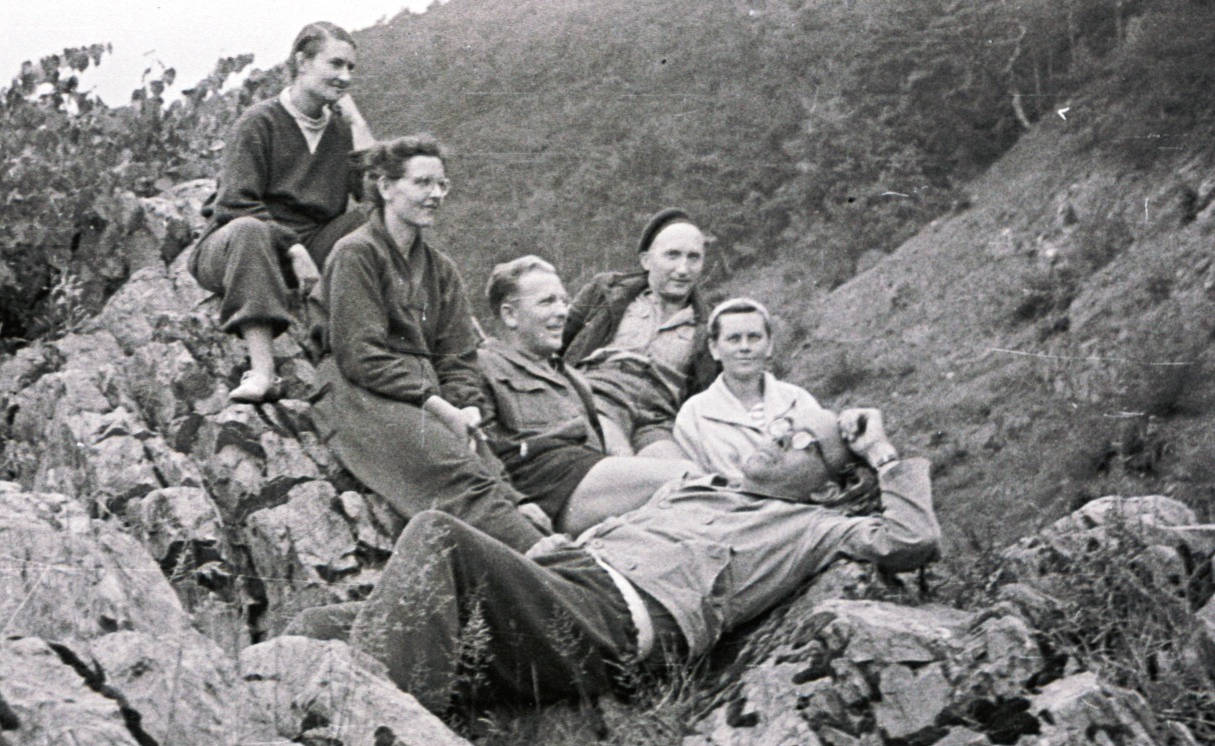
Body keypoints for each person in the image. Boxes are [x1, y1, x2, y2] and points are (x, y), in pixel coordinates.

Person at [297, 406, 938, 715]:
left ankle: (391, 739)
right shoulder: (696, 485)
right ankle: (340, 730)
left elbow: (911, 539)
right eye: (782, 424)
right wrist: (557, 550)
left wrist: (881, 453)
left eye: (803, 442)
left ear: (827, 484)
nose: (776, 435)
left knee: (438, 534)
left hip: (608, 621)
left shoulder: (812, 526)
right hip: (559, 588)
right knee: (318, 628)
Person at [310, 135, 548, 553]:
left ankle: (545, 554)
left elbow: (457, 356)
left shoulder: (441, 269)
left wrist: (465, 403)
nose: (436, 194)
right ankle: (551, 566)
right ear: (385, 187)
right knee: (455, 474)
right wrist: (438, 406)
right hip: (360, 394)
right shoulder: (356, 254)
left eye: (442, 185)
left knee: (508, 491)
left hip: (424, 394)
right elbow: (360, 355)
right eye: (423, 183)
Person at [191, 22, 376, 403]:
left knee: (370, 226)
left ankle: (361, 353)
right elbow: (234, 203)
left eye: (351, 69)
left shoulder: (341, 131)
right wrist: (292, 249)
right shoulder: (259, 122)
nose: (344, 77)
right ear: (302, 62)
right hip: (239, 243)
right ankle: (262, 371)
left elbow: (377, 195)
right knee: (250, 232)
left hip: (313, 240)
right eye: (335, 64)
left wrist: (357, 123)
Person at [477, 256, 704, 534]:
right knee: (686, 479)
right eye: (547, 302)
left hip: (587, 477)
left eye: (564, 300)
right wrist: (516, 503)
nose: (562, 311)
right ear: (510, 314)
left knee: (692, 508)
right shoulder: (481, 366)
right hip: (544, 485)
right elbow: (474, 450)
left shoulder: (573, 378)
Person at [559, 208, 717, 457]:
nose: (683, 269)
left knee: (680, 473)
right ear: (646, 260)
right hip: (599, 397)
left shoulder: (710, 326)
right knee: (621, 457)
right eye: (672, 255)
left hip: (658, 417)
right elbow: (556, 339)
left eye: (693, 258)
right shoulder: (607, 292)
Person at [673, 297, 822, 478]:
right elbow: (692, 483)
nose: (745, 347)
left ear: (769, 345)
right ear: (714, 348)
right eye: (733, 339)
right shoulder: (693, 414)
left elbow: (820, 463)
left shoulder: (798, 400)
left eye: (754, 337)